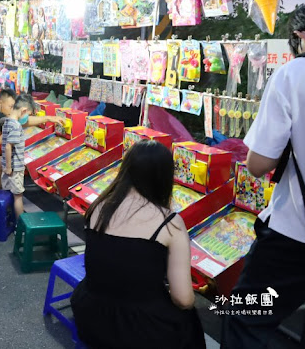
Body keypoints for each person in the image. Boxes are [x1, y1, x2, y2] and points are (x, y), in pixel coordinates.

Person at [221, 0, 305, 348]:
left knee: (246, 318)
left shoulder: (297, 73)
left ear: (302, 36)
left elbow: (258, 164)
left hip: (297, 233)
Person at [70, 140, 205, 348]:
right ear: (164, 176)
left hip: (91, 313)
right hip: (140, 327)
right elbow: (183, 299)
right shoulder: (170, 223)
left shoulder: (99, 206)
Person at [2, 94, 37, 218]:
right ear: (23, 111)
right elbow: (8, 146)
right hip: (14, 168)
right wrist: (9, 167)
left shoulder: (7, 121)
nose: (28, 118)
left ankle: (8, 219)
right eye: (29, 115)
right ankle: (20, 224)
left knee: (8, 193)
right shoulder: (16, 126)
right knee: (18, 197)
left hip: (7, 166)